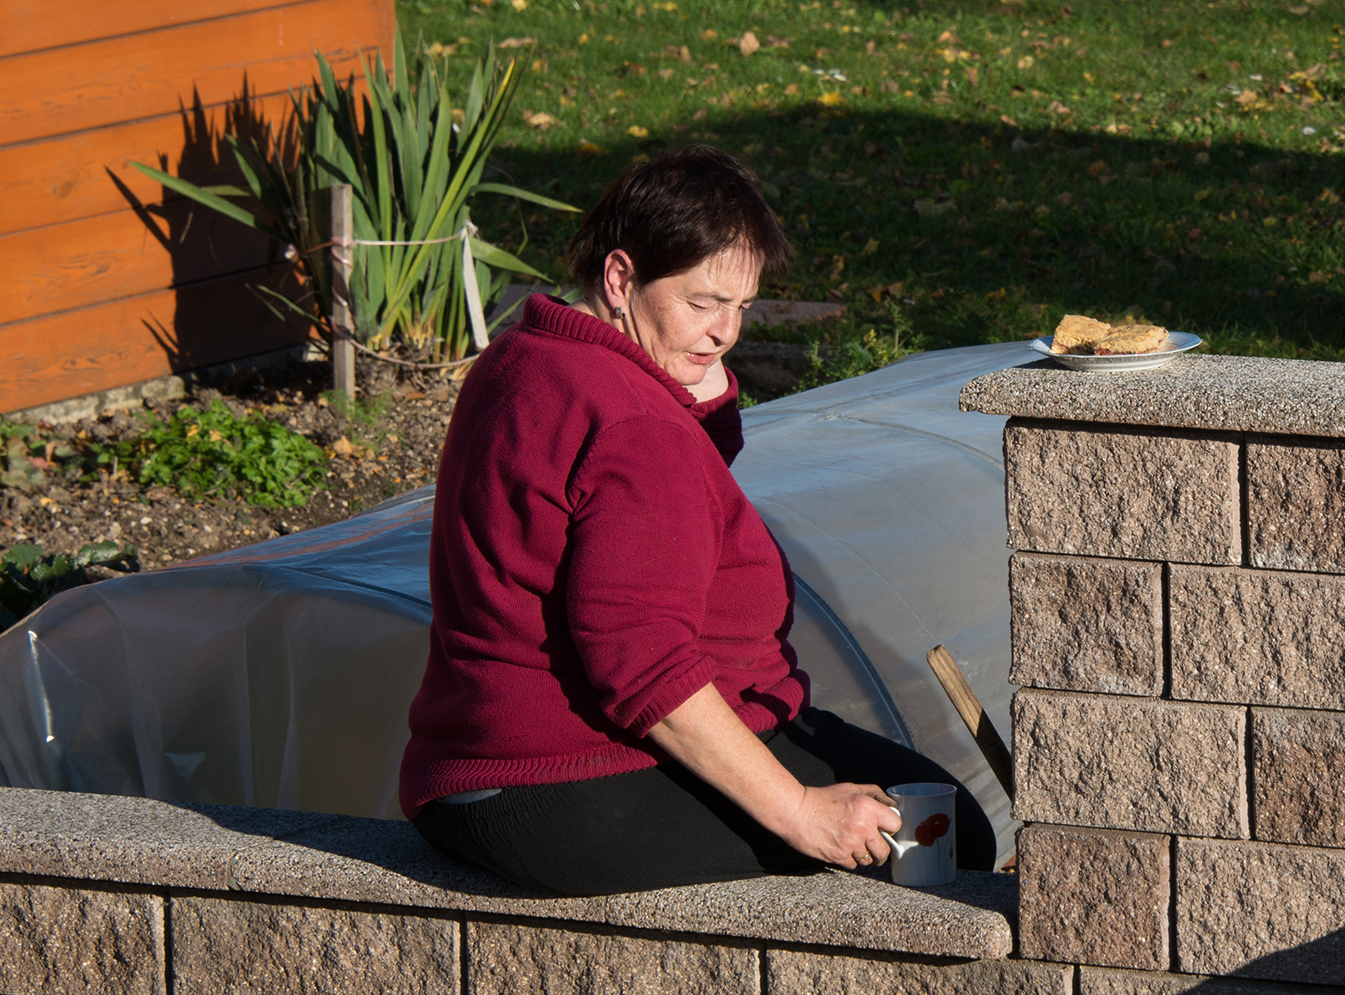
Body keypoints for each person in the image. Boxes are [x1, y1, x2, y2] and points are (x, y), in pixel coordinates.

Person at [400, 145, 994, 894]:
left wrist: (695, 398)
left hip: (471, 767)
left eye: (741, 308)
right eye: (703, 302)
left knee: (913, 802)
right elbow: (644, 666)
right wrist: (800, 812)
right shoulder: (634, 424)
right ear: (621, 278)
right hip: (566, 780)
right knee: (939, 835)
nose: (724, 332)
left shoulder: (523, 355)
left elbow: (643, 508)